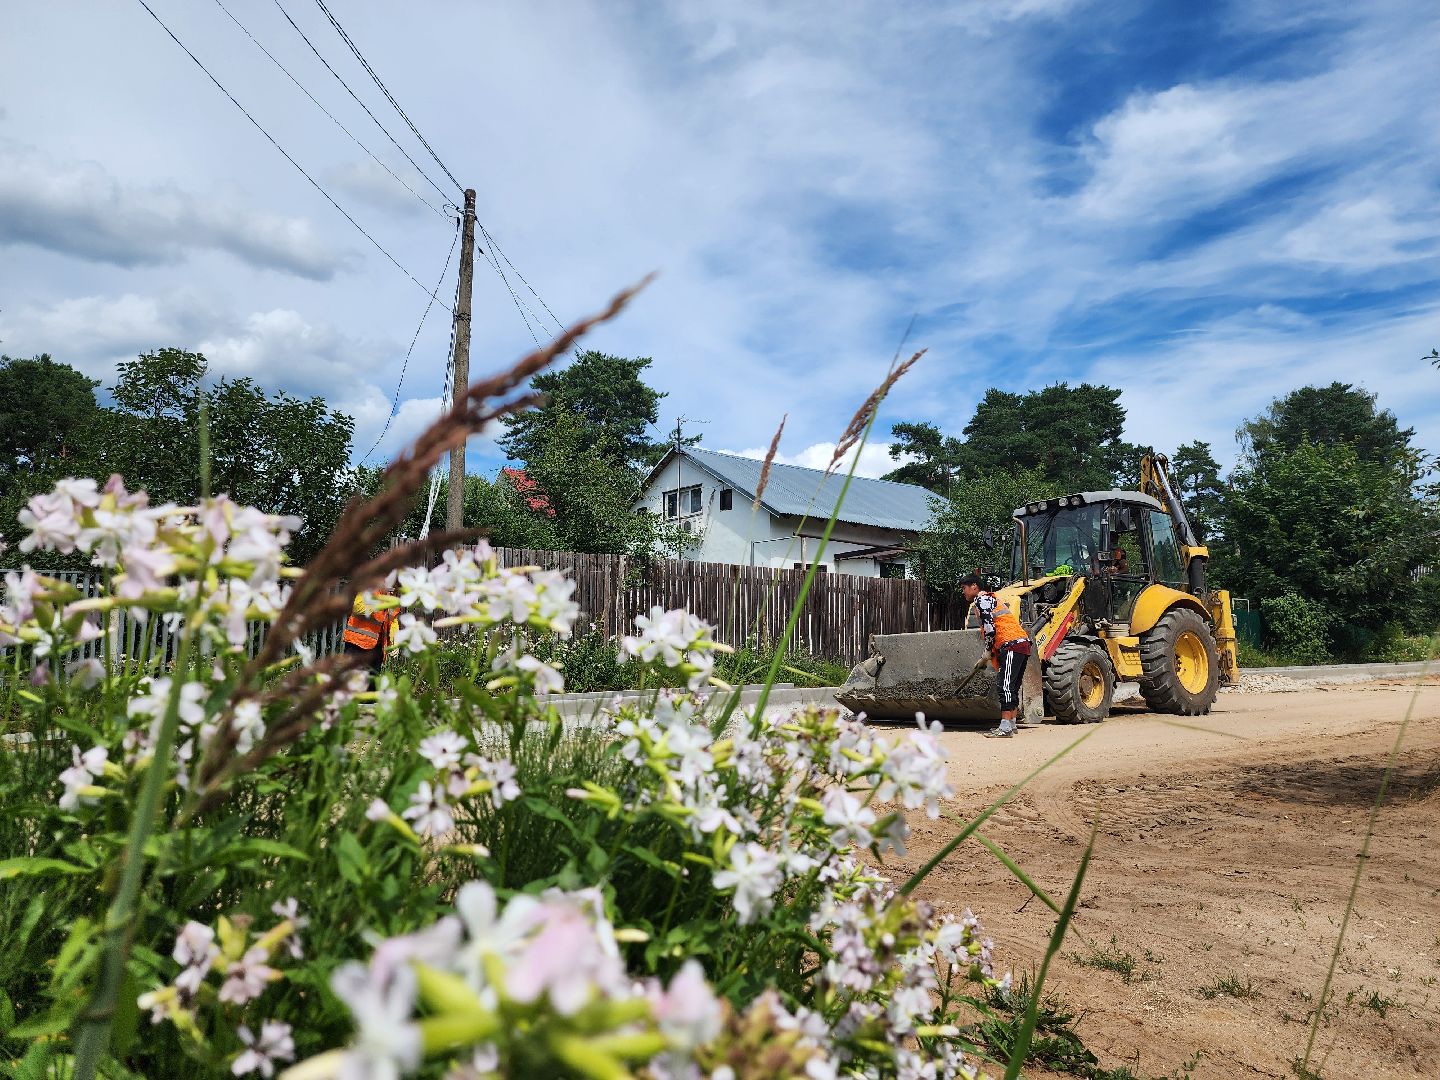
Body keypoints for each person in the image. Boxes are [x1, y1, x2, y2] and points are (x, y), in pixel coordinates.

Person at [959, 573, 1032, 738]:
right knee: (1012, 686)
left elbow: (990, 629)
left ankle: (1005, 727)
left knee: (1004, 685)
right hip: (1020, 644)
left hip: (1011, 644)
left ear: (974, 587)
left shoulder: (981, 600)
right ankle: (1011, 724)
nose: (963, 592)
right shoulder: (991, 599)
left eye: (964, 588)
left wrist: (987, 650)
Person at [342, 588, 397, 681]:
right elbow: (358, 608)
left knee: (371, 686)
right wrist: (380, 601)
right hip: (357, 644)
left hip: (377, 649)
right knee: (350, 684)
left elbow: (393, 621)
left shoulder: (392, 596)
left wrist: (395, 641)